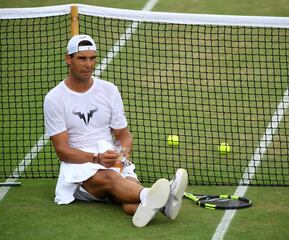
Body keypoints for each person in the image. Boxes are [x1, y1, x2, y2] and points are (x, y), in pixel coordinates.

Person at [43, 34, 188, 227]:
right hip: (80, 168)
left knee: (129, 195)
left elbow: (124, 135)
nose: (89, 64)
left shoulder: (109, 90)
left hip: (111, 158)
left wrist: (122, 155)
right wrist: (97, 159)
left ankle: (155, 206)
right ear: (68, 59)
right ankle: (160, 195)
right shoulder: (54, 98)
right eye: (82, 58)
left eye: (92, 58)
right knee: (112, 178)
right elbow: (62, 151)